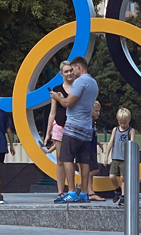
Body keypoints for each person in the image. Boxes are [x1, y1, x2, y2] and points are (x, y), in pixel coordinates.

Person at [51, 56, 99, 204]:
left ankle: (71, 192)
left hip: (73, 127)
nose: (72, 72)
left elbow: (67, 103)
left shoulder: (80, 81)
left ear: (79, 67)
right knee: (84, 161)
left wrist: (57, 97)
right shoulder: (93, 83)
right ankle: (84, 192)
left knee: (66, 158)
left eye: (73, 69)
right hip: (87, 127)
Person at [43, 61, 74, 199]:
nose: (69, 73)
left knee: (72, 160)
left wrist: (63, 99)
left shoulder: (78, 88)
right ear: (61, 74)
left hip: (74, 127)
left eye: (70, 70)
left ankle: (72, 189)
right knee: (61, 161)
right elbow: (52, 112)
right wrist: (47, 133)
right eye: (66, 71)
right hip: (60, 127)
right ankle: (61, 191)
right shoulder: (56, 89)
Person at [104, 107, 135, 206]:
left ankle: (123, 196)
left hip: (124, 159)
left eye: (124, 123)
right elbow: (111, 142)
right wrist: (106, 156)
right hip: (115, 157)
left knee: (123, 178)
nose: (122, 125)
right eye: (121, 123)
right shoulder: (115, 130)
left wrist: (131, 157)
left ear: (129, 120)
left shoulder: (131, 130)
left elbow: (132, 143)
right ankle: (117, 190)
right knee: (112, 176)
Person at [87, 101, 105, 201]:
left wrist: (98, 143)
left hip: (92, 149)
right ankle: (83, 184)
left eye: (99, 111)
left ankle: (90, 191)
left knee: (92, 170)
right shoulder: (87, 122)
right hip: (88, 150)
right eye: (96, 111)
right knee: (94, 170)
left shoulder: (92, 123)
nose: (98, 113)